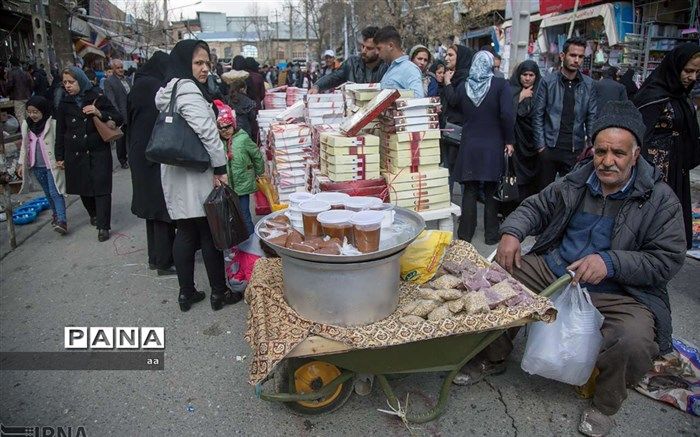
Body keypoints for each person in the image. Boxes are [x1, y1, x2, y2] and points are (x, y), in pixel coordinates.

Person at [487, 100, 686, 437]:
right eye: (600, 151)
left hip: (620, 290)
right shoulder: (576, 182)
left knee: (634, 341)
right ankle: (490, 356)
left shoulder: (660, 199)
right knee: (496, 284)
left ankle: (605, 404)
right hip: (556, 270)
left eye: (618, 154)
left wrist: (611, 261)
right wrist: (512, 232)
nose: (607, 161)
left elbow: (666, 259)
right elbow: (536, 207)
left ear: (636, 155)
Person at [155, 39, 242, 312]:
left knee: (185, 232)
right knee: (208, 233)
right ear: (184, 63)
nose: (205, 68)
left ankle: (186, 293)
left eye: (208, 63)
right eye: (198, 63)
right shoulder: (189, 91)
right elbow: (207, 134)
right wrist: (220, 168)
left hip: (176, 171)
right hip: (195, 171)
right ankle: (219, 293)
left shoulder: (168, 90)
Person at [443, 51, 514, 244]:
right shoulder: (500, 85)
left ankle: (465, 234)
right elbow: (507, 114)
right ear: (491, 65)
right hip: (492, 144)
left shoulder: (465, 86)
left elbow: (453, 101)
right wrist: (509, 140)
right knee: (491, 190)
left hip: (470, 145)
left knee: (470, 189)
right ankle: (491, 235)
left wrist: (448, 83)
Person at [634, 43, 700, 250]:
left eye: (697, 72)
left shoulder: (681, 97)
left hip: (676, 171)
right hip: (654, 173)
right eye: (688, 71)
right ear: (675, 67)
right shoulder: (653, 95)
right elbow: (638, 136)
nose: (693, 77)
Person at [55, 66, 122, 242]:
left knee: (102, 188)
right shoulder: (64, 103)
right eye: (65, 83)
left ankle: (103, 226)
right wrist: (59, 156)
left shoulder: (97, 97)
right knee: (83, 188)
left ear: (81, 81)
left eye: (71, 82)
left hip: (98, 151)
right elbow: (60, 131)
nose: (68, 86)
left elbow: (119, 117)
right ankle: (93, 213)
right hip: (75, 153)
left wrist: (99, 113)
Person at [126, 51, 176, 276]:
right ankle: (165, 261)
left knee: (151, 210)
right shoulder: (157, 87)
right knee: (162, 209)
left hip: (138, 152)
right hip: (154, 153)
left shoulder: (138, 85)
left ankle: (155, 258)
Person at [532, 36, 597, 190]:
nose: (577, 60)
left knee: (572, 194)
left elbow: (592, 117)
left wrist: (592, 145)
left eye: (581, 56)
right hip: (550, 147)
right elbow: (537, 115)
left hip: (576, 150)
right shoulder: (548, 82)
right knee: (545, 195)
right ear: (563, 56)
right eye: (573, 55)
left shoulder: (588, 84)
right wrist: (541, 146)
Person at [17, 96, 67, 234]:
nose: (32, 115)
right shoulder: (26, 125)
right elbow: (24, 146)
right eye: (29, 112)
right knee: (48, 193)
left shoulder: (53, 123)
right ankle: (56, 215)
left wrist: (62, 159)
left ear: (43, 111)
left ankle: (62, 221)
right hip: (36, 165)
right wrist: (22, 164)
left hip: (52, 165)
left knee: (55, 192)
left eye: (35, 112)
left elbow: (60, 143)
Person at [214, 100, 265, 235]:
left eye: (228, 127)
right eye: (221, 128)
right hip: (226, 187)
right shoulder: (217, 142)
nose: (225, 131)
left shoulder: (242, 138)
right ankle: (237, 247)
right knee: (230, 218)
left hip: (242, 184)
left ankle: (251, 246)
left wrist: (259, 171)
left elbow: (256, 155)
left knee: (244, 216)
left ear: (234, 124)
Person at [310, 26, 388, 94]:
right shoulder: (351, 63)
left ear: (378, 49)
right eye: (362, 46)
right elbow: (333, 77)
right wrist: (317, 86)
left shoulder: (386, 67)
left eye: (369, 48)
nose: (364, 51)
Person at [441, 44, 475, 193]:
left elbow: (455, 101)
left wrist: (447, 83)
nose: (446, 58)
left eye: (450, 55)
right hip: (449, 129)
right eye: (446, 55)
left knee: (453, 171)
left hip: (459, 130)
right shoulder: (453, 75)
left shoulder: (464, 78)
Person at [509, 60, 542, 203]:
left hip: (534, 144)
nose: (527, 78)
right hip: (516, 143)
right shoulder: (511, 89)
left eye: (531, 75)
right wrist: (520, 97)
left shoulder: (541, 91)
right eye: (524, 75)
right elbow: (505, 113)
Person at [375, 26, 424, 98]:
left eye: (379, 48)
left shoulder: (409, 69)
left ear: (390, 46)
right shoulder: (389, 68)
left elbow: (418, 98)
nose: (376, 52)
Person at [104, 59, 131, 169]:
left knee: (130, 137)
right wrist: (117, 115)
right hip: (120, 114)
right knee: (121, 139)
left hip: (130, 112)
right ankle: (122, 160)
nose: (121, 70)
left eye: (121, 67)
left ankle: (130, 156)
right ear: (113, 69)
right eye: (118, 68)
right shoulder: (109, 82)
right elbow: (111, 100)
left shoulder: (128, 80)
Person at [6, 56, 34, 123]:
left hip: (18, 98)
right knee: (29, 116)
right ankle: (31, 132)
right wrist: (30, 92)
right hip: (27, 96)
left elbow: (10, 85)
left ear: (11, 64)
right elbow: (32, 84)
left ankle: (25, 132)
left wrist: (8, 93)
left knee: (21, 117)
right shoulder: (25, 73)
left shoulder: (11, 73)